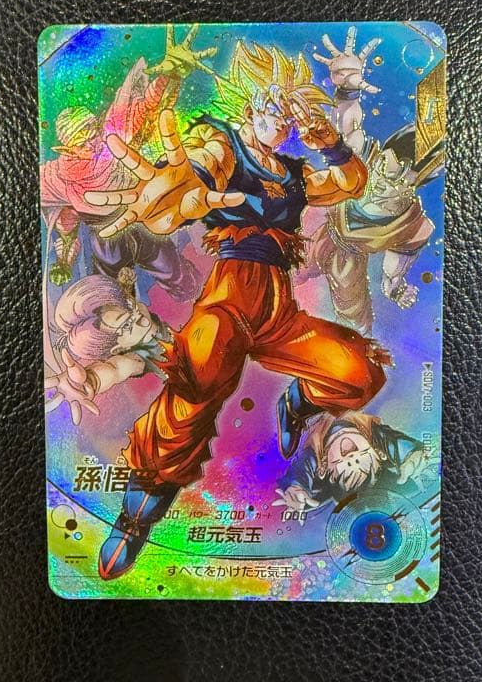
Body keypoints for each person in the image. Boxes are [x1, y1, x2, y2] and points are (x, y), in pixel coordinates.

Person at [82, 38, 391, 580]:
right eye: (275, 104)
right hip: (228, 300)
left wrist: (330, 144)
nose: (283, 119)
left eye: (291, 111)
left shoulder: (292, 173)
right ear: (249, 105)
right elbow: (194, 171)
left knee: (359, 374)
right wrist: (175, 187)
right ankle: (137, 515)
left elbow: (349, 182)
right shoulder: (223, 145)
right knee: (197, 379)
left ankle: (299, 401)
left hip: (278, 312)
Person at [40, 26, 212, 299]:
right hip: (106, 240)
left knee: (175, 273)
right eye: (81, 140)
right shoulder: (58, 174)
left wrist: (169, 73)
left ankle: (195, 297)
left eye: (92, 132)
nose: (91, 142)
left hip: (143, 223)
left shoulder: (112, 136)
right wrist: (65, 250)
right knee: (114, 294)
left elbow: (144, 107)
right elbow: (56, 206)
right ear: (67, 148)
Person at [301, 27, 441, 335]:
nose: (380, 182)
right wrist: (347, 89)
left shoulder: (412, 224)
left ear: (412, 187)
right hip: (315, 227)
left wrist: (395, 289)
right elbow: (349, 129)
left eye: (395, 181)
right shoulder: (366, 160)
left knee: (355, 326)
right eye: (381, 169)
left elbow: (392, 273)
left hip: (349, 261)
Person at [44, 268, 171, 425]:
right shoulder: (141, 357)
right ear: (118, 349)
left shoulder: (159, 299)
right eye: (127, 326)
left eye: (129, 306)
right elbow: (116, 368)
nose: (138, 317)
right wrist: (91, 381)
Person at [273, 411, 436, 514]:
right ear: (378, 452)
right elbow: (394, 444)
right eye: (362, 458)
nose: (352, 457)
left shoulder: (315, 453)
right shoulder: (374, 434)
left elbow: (302, 470)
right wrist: (412, 456)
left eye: (346, 465)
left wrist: (295, 488)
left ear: (324, 468)